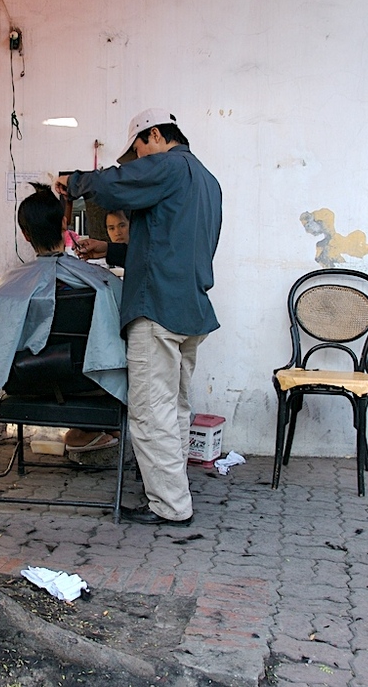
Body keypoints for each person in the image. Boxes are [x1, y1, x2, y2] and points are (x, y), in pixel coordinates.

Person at [55, 108, 222, 526]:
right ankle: (173, 492)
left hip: (158, 308)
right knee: (176, 408)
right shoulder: (207, 181)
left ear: (155, 135)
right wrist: (107, 249)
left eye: (139, 154)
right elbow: (167, 247)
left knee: (151, 412)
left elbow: (114, 187)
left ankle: (169, 506)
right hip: (189, 310)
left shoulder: (168, 166)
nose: (139, 165)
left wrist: (74, 181)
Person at [0, 186, 127, 434]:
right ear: (64, 223)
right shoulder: (102, 285)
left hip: (26, 384)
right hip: (90, 383)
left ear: (25, 235)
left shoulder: (6, 290)